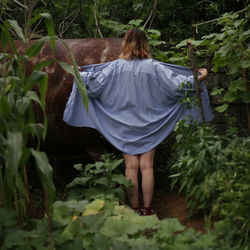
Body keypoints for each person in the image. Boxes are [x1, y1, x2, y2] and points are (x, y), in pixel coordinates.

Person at [63, 29, 213, 216]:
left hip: (124, 126)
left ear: (125, 44)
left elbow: (92, 84)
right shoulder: (154, 67)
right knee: (147, 166)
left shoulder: (115, 67)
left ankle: (134, 210)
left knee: (131, 167)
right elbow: (179, 85)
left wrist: (79, 74)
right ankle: (148, 210)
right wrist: (200, 77)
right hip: (152, 125)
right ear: (145, 45)